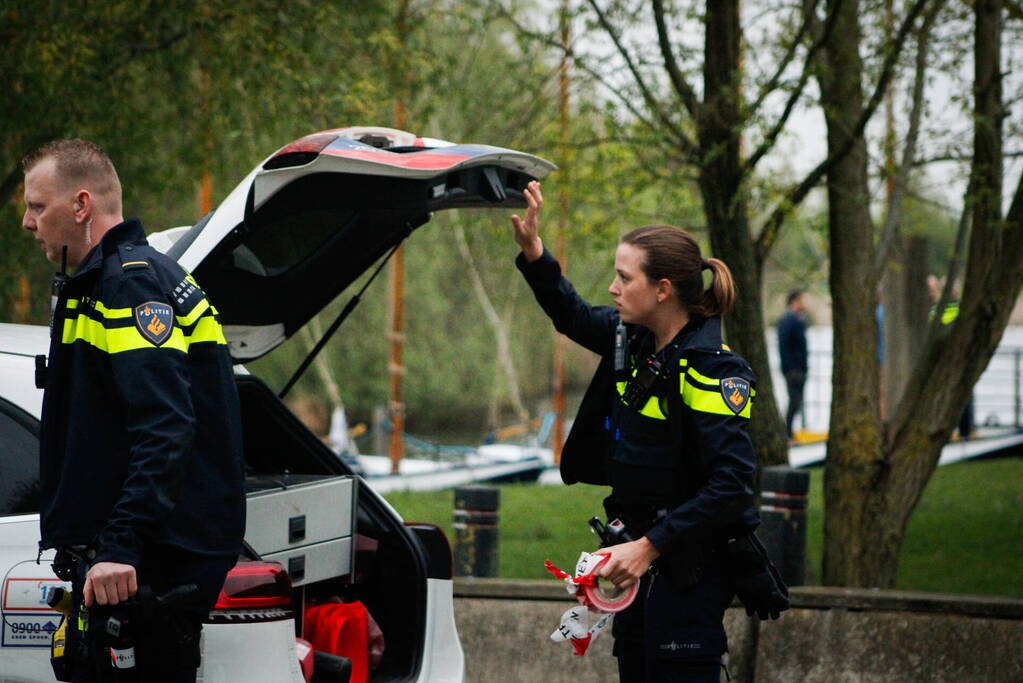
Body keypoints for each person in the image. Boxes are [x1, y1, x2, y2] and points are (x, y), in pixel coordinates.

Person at [512, 182, 784, 682]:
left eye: (624, 277)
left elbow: (729, 484)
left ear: (662, 290)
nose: (613, 288)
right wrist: (534, 252)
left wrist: (649, 546)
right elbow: (570, 314)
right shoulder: (632, 339)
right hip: (637, 558)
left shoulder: (712, 371)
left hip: (688, 568)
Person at [21, 139, 245, 682]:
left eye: (36, 206)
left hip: (149, 564)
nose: (28, 223)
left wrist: (122, 545)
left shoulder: (129, 284)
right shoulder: (107, 281)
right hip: (136, 560)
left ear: (80, 206)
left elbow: (164, 425)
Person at [776, 290, 808, 438]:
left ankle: (788, 432)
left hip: (799, 368)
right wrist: (790, 369)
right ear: (795, 301)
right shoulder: (788, 321)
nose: (805, 303)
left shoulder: (796, 319)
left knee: (797, 400)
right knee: (794, 400)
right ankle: (787, 432)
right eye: (802, 300)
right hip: (793, 370)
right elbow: (784, 346)